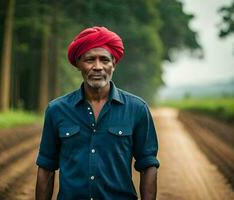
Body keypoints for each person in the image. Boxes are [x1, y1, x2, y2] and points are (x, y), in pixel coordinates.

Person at [35, 26, 160, 200]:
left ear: (114, 64)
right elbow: (46, 167)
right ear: (78, 63)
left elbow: (148, 165)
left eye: (104, 60)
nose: (97, 67)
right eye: (90, 60)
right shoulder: (56, 110)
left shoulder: (137, 109)